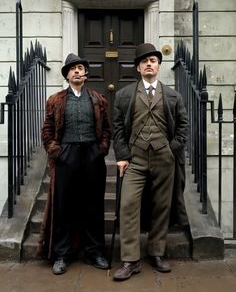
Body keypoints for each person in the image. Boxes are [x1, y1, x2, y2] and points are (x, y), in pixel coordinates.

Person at [112, 43, 189, 281]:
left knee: (161, 206)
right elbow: (117, 129)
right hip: (134, 159)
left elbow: (184, 128)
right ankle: (130, 259)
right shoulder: (124, 95)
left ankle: (157, 252)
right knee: (128, 205)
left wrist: (171, 149)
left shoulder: (173, 96)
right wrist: (123, 156)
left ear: (158, 66)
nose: (149, 64)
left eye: (153, 61)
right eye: (144, 61)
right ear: (138, 67)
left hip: (164, 158)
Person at [37, 53, 111, 275]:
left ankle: (95, 252)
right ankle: (62, 254)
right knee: (64, 206)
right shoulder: (56, 100)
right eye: (73, 69)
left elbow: (107, 129)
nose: (77, 71)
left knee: (93, 206)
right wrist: (55, 151)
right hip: (66, 155)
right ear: (67, 75)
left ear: (85, 74)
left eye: (80, 68)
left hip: (92, 155)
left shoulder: (99, 99)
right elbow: (47, 130)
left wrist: (101, 150)